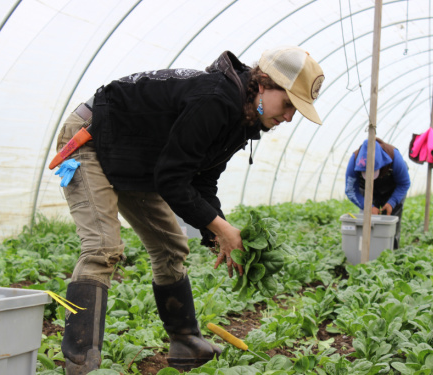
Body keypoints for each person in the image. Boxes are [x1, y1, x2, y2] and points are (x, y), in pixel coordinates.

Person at [53, 46, 324, 374]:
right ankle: (81, 362)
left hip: (133, 157)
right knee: (102, 248)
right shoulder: (214, 100)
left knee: (171, 247)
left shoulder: (242, 120)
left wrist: (218, 230)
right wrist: (222, 229)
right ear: (264, 85)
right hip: (91, 139)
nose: (289, 117)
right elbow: (171, 181)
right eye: (289, 104)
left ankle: (185, 343)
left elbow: (202, 182)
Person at [345, 138, 410, 249]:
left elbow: (404, 183)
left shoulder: (394, 157)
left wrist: (392, 203)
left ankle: (391, 250)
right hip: (366, 190)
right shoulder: (354, 159)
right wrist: (368, 206)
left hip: (392, 189)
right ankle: (367, 250)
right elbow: (350, 189)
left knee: (392, 223)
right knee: (366, 222)